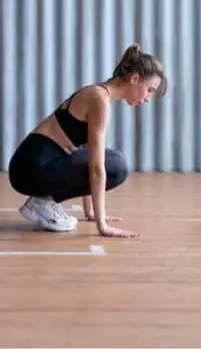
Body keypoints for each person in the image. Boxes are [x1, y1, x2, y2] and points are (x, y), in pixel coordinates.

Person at [6, 44, 167, 238]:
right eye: (149, 89)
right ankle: (41, 203)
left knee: (113, 160)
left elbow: (86, 156)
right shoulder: (99, 100)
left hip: (29, 166)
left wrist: (90, 213)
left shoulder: (98, 94)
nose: (148, 98)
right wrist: (102, 227)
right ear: (134, 79)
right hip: (30, 169)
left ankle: (43, 201)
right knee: (116, 165)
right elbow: (97, 168)